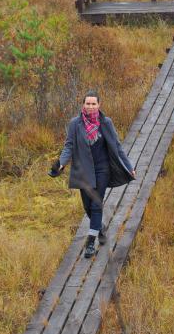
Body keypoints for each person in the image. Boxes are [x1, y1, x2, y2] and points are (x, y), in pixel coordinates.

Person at [51, 90, 136, 259]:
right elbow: (69, 146)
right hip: (83, 170)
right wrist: (60, 163)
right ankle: (100, 228)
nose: (90, 106)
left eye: (93, 104)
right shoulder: (75, 124)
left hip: (102, 168)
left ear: (99, 105)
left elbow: (117, 146)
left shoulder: (106, 123)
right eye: (87, 103)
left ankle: (90, 243)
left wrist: (129, 166)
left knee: (97, 204)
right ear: (83, 105)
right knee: (88, 207)